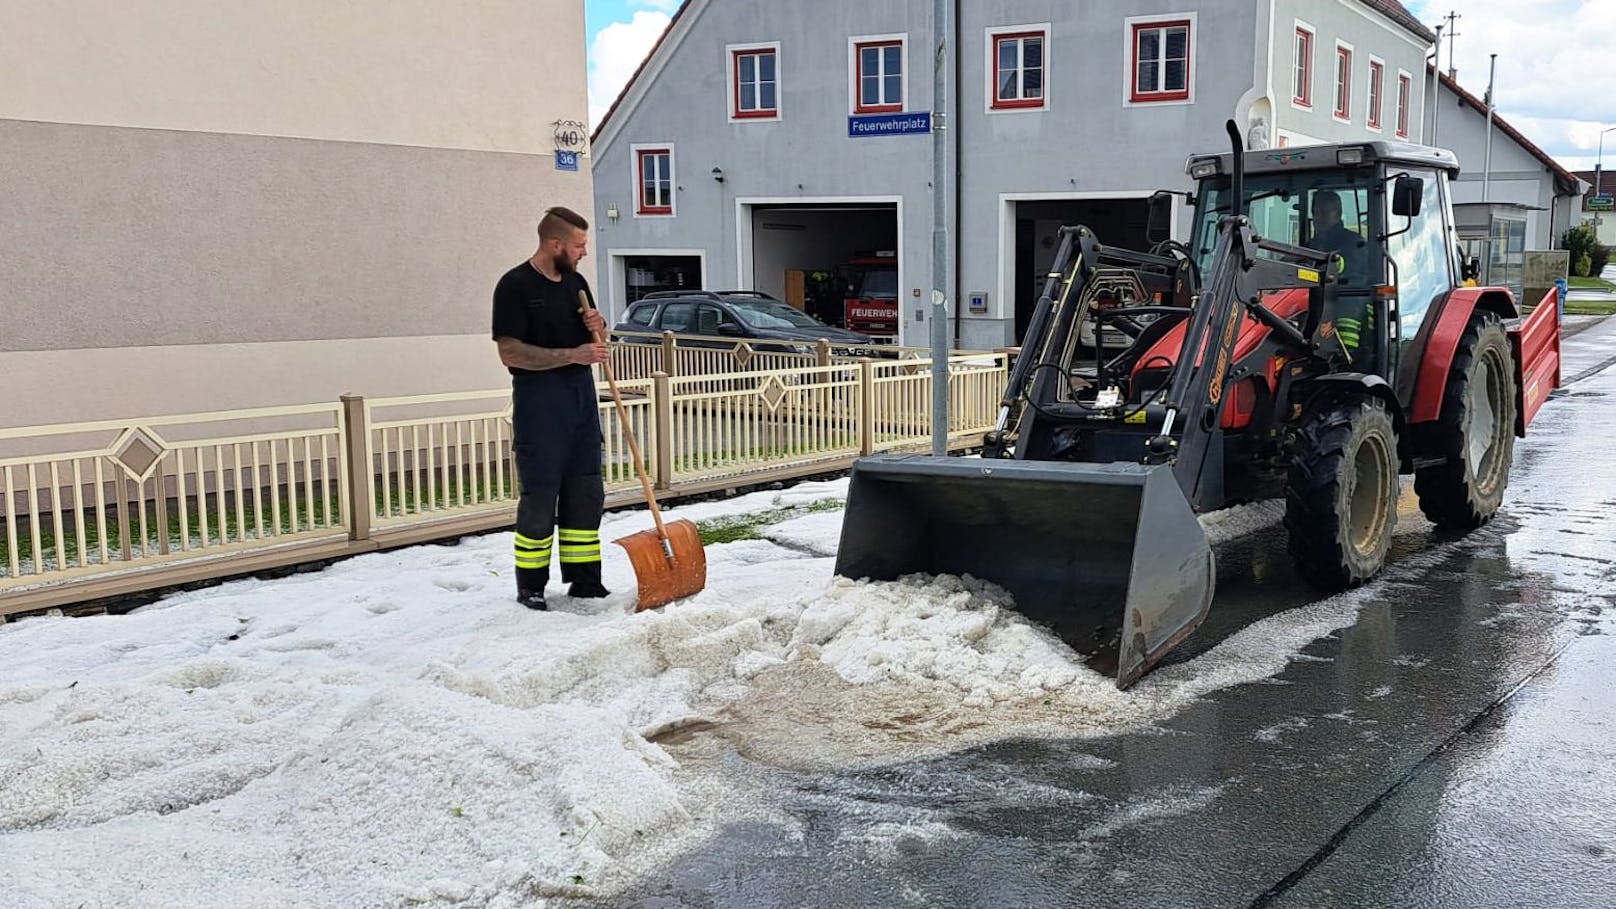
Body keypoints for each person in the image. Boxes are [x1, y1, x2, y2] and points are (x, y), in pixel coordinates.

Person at [491, 207, 611, 611]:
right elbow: (511, 353)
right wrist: (573, 354)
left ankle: (585, 579)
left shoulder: (576, 283)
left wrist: (600, 326)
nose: (584, 253)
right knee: (540, 498)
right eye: (578, 245)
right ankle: (532, 586)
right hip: (540, 407)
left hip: (580, 403)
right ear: (554, 244)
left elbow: (595, 342)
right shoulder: (515, 286)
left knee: (586, 493)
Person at [1305, 190, 1371, 355]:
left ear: (1338, 213)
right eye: (1315, 213)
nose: (1319, 218)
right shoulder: (1309, 246)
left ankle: (1344, 356)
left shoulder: (1353, 243)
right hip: (1313, 305)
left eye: (1325, 212)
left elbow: (1351, 272)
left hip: (1347, 303)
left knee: (1343, 350)